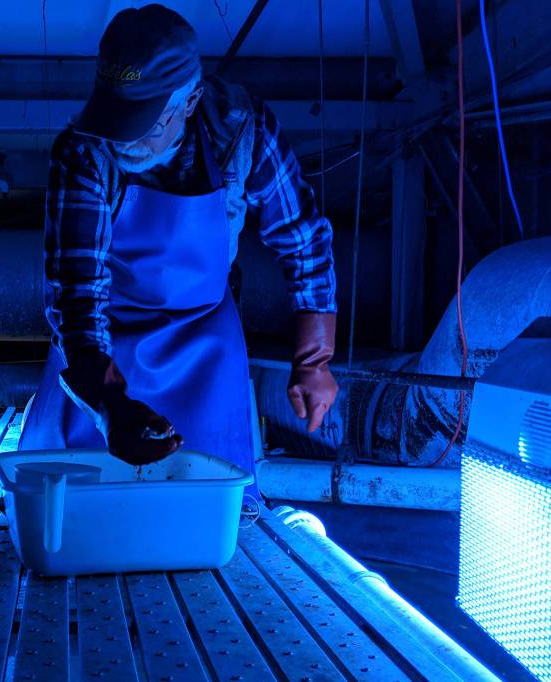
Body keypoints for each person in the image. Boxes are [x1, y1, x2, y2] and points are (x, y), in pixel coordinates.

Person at [19, 4, 338, 493]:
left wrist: (314, 359)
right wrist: (108, 405)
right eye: (116, 115)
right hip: (103, 349)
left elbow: (303, 236)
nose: (122, 137)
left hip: (205, 343)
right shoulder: (84, 150)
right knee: (75, 497)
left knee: (208, 498)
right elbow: (77, 295)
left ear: (188, 102)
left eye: (142, 120)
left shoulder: (240, 131)